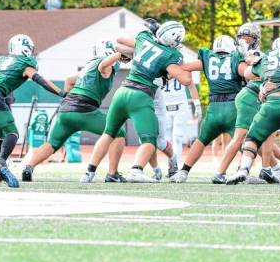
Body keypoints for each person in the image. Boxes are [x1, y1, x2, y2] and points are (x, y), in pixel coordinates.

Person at [80, 21, 192, 183]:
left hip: (122, 92)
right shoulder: (171, 54)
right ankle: (136, 170)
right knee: (150, 140)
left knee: (108, 133)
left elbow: (119, 40)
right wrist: (169, 72)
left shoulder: (144, 38)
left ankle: (89, 172)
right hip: (141, 96)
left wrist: (136, 53)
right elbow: (186, 79)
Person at [20, 40, 126, 182]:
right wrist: (120, 54)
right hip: (84, 110)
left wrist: (70, 99)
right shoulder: (103, 65)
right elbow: (104, 64)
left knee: (52, 144)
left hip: (65, 110)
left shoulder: (88, 67)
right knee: (119, 133)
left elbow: (69, 80)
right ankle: (112, 174)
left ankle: (29, 167)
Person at [0, 34, 66, 188]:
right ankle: (1, 162)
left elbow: (1, 80)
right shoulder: (25, 64)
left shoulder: (3, 62)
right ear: (24, 49)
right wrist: (61, 92)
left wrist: (6, 97)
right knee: (13, 133)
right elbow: (40, 80)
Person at [226, 37, 280, 185]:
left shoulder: (267, 58)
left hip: (272, 104)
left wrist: (263, 80)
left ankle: (243, 169)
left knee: (252, 138)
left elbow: (247, 73)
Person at [169, 35, 246, 183]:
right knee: (246, 142)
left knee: (201, 140)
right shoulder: (236, 59)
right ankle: (246, 169)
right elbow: (249, 73)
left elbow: (184, 67)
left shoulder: (207, 59)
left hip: (214, 109)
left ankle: (184, 171)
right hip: (233, 108)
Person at [212, 23, 263, 183]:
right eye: (241, 36)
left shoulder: (234, 53)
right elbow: (251, 74)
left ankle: (266, 168)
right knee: (248, 136)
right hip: (246, 96)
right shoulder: (241, 54)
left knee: (254, 136)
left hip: (240, 96)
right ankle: (240, 170)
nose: (243, 39)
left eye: (247, 36)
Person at [150, 78, 200, 180]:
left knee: (177, 137)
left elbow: (190, 83)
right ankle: (171, 163)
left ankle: (174, 168)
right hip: (163, 105)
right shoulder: (161, 64)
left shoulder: (182, 65)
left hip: (180, 105)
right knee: (164, 139)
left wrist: (197, 105)